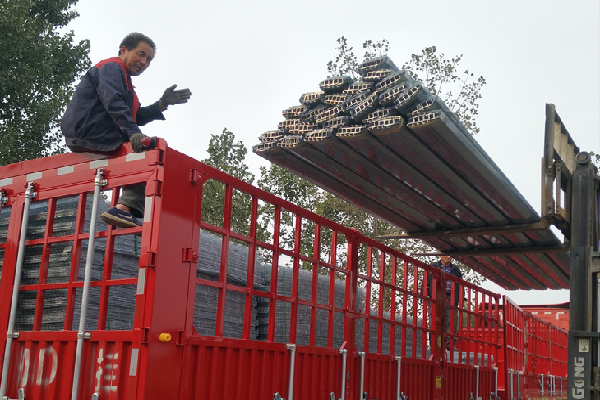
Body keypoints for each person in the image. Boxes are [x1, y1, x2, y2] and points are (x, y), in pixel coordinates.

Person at [61, 32, 192, 228]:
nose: (144, 62)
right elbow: (113, 102)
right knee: (150, 152)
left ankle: (128, 208)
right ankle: (124, 208)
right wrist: (134, 134)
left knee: (146, 148)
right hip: (89, 132)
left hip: (94, 133)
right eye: (141, 54)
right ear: (124, 50)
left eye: (149, 59)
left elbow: (135, 116)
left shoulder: (126, 83)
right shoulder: (112, 67)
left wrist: (162, 104)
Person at [424, 255, 463, 350]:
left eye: (451, 256)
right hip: (435, 296)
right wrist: (425, 296)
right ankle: (434, 344)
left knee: (451, 321)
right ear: (441, 256)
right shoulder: (433, 267)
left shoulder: (455, 270)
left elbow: (461, 286)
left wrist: (458, 300)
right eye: (447, 255)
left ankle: (450, 345)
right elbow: (426, 282)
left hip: (451, 298)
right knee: (434, 321)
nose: (449, 257)